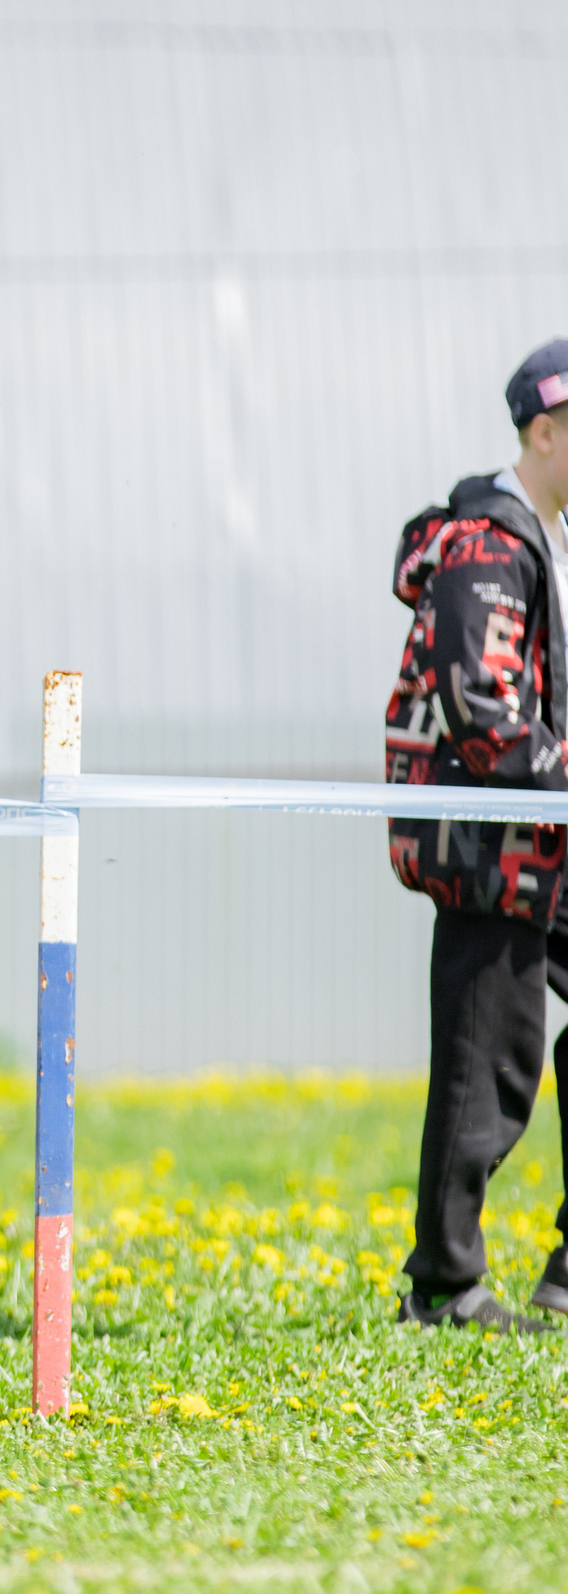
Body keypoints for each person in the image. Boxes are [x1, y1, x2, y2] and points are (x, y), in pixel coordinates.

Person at [382, 336, 568, 1334]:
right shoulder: (491, 544)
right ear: (542, 432)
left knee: (490, 1059)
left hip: (544, 825)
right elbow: (484, 709)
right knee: (484, 1064)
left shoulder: (541, 537)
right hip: (492, 835)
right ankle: (442, 1287)